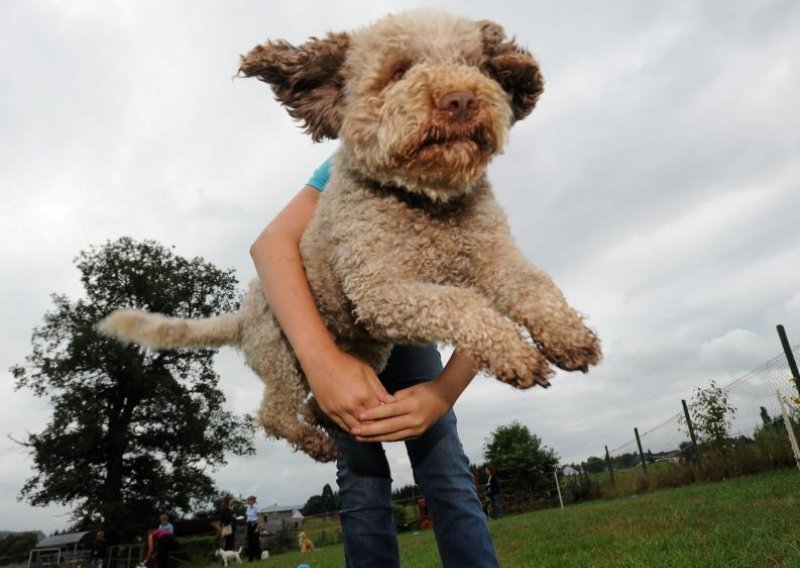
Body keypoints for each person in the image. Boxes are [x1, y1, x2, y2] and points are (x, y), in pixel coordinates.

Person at [250, 155, 499, 567]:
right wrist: (324, 363)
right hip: (346, 334)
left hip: (409, 332)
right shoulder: (357, 156)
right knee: (362, 478)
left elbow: (495, 290)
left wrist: (442, 394)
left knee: (445, 469)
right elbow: (271, 244)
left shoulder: (458, 173)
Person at [244, 495, 262, 562]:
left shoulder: (256, 507)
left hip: (255, 524)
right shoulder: (248, 507)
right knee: (250, 542)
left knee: (255, 541)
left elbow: (259, 517)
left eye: (248, 501)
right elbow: (247, 517)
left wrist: (258, 527)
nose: (247, 502)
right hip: (249, 524)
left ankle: (258, 557)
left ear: (252, 501)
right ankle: (250, 558)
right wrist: (246, 527)